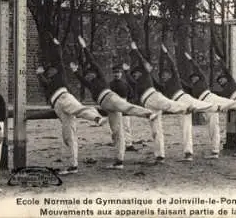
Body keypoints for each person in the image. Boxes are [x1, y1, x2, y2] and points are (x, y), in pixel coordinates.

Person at [70, 36, 157, 169]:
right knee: (117, 132)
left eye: (91, 73)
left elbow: (93, 62)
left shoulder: (101, 77)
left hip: (111, 98)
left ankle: (149, 114)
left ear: (95, 73)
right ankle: (119, 161)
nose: (89, 76)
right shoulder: (89, 84)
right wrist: (75, 71)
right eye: (87, 75)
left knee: (127, 107)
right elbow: (81, 79)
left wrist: (84, 48)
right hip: (106, 106)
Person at [36, 33, 107, 175]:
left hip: (64, 97)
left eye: (52, 69)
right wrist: (39, 74)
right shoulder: (47, 82)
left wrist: (56, 44)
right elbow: (45, 84)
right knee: (68, 136)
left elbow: (58, 58)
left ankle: (97, 118)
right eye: (48, 70)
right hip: (57, 106)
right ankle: (73, 166)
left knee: (79, 109)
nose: (51, 71)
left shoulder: (60, 72)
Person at [123, 41, 192, 164]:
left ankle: (187, 107)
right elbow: (130, 81)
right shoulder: (138, 83)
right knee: (156, 130)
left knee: (169, 105)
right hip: (148, 104)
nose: (135, 75)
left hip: (154, 97)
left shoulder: (146, 75)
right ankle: (160, 155)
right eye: (134, 74)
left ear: (142, 72)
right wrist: (126, 72)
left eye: (137, 73)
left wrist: (135, 50)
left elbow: (143, 62)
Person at [182, 52, 236, 159]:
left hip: (219, 98)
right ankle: (215, 151)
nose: (221, 81)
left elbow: (200, 69)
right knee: (213, 126)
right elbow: (183, 85)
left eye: (222, 79)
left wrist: (191, 60)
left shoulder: (205, 81)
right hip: (206, 104)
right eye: (219, 81)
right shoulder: (195, 89)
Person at [157, 44, 215, 161]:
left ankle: (219, 106)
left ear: (169, 75)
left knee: (206, 106)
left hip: (184, 98)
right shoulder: (164, 87)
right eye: (162, 75)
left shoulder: (175, 79)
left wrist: (166, 53)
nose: (164, 76)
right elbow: (155, 84)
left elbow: (173, 66)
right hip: (178, 106)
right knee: (185, 128)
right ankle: (188, 153)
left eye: (166, 74)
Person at [109, 65, 137, 152]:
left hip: (124, 105)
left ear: (121, 73)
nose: (116, 74)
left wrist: (129, 103)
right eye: (115, 72)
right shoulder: (110, 85)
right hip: (114, 106)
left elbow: (131, 95)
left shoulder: (125, 83)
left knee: (126, 126)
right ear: (112, 74)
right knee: (116, 127)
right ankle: (118, 143)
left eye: (118, 72)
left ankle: (128, 144)